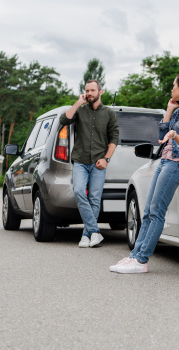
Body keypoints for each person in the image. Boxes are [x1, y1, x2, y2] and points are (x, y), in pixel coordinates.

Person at [110, 71, 179, 274]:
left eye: (174, 85)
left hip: (176, 165)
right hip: (164, 161)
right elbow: (162, 137)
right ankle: (135, 256)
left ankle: (141, 260)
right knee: (148, 211)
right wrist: (169, 111)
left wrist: (176, 136)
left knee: (156, 212)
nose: (171, 89)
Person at [59, 80, 119, 248]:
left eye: (92, 90)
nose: (89, 93)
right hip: (80, 160)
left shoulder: (109, 113)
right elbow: (64, 119)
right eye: (87, 90)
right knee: (79, 191)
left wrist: (106, 159)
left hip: (99, 162)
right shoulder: (80, 110)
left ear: (100, 92)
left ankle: (86, 235)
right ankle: (95, 232)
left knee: (94, 198)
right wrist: (78, 102)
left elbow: (114, 138)